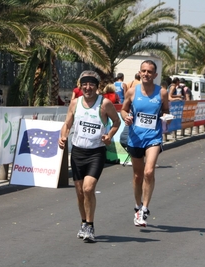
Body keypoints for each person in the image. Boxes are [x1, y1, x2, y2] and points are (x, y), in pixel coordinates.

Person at [58, 70, 120, 243]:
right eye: (85, 84)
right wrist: (63, 136)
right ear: (80, 86)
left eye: (91, 84)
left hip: (96, 153)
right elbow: (67, 124)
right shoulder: (75, 103)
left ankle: (90, 226)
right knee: (79, 192)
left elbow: (117, 122)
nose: (88, 87)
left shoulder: (105, 104)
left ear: (97, 86)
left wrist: (109, 135)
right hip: (78, 152)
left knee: (88, 188)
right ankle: (84, 222)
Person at [121, 60, 171, 227]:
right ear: (140, 72)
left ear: (155, 75)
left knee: (149, 172)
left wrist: (166, 118)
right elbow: (123, 109)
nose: (146, 74)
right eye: (143, 71)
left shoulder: (162, 93)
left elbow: (166, 110)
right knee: (137, 175)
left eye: (150, 71)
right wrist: (125, 117)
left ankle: (145, 208)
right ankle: (137, 205)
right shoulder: (132, 92)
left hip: (153, 138)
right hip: (135, 137)